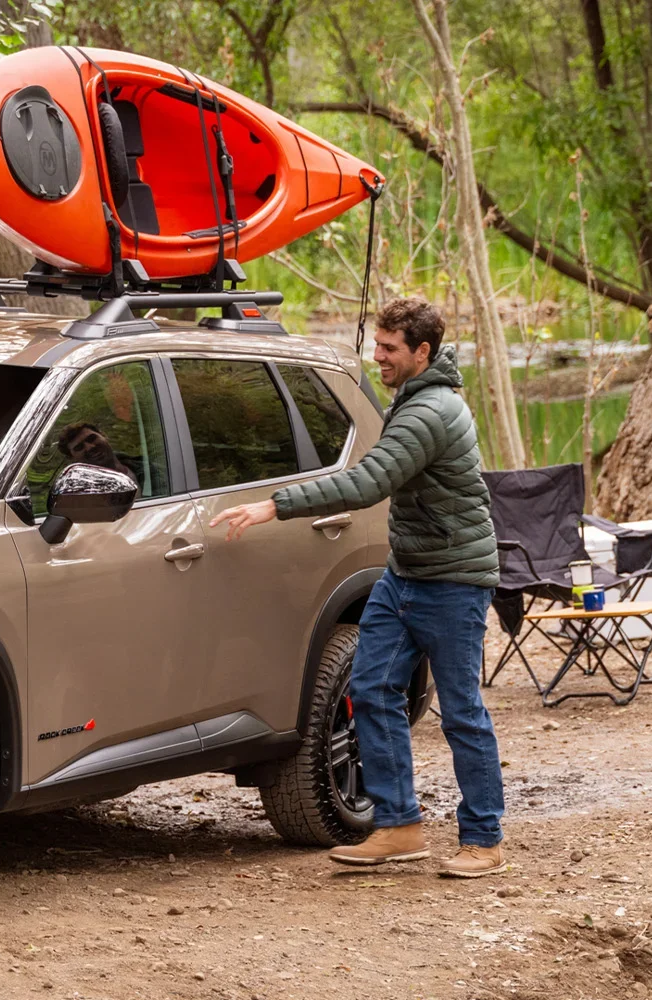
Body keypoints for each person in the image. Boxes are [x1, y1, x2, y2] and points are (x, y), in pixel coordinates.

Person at [208, 297, 507, 878]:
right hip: (406, 576)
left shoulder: (430, 413)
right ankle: (398, 826)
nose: (379, 356)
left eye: (390, 349)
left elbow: (369, 483)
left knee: (462, 714)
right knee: (369, 691)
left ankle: (485, 839)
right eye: (378, 344)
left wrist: (276, 503)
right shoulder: (414, 400)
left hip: (452, 582)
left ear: (423, 352)